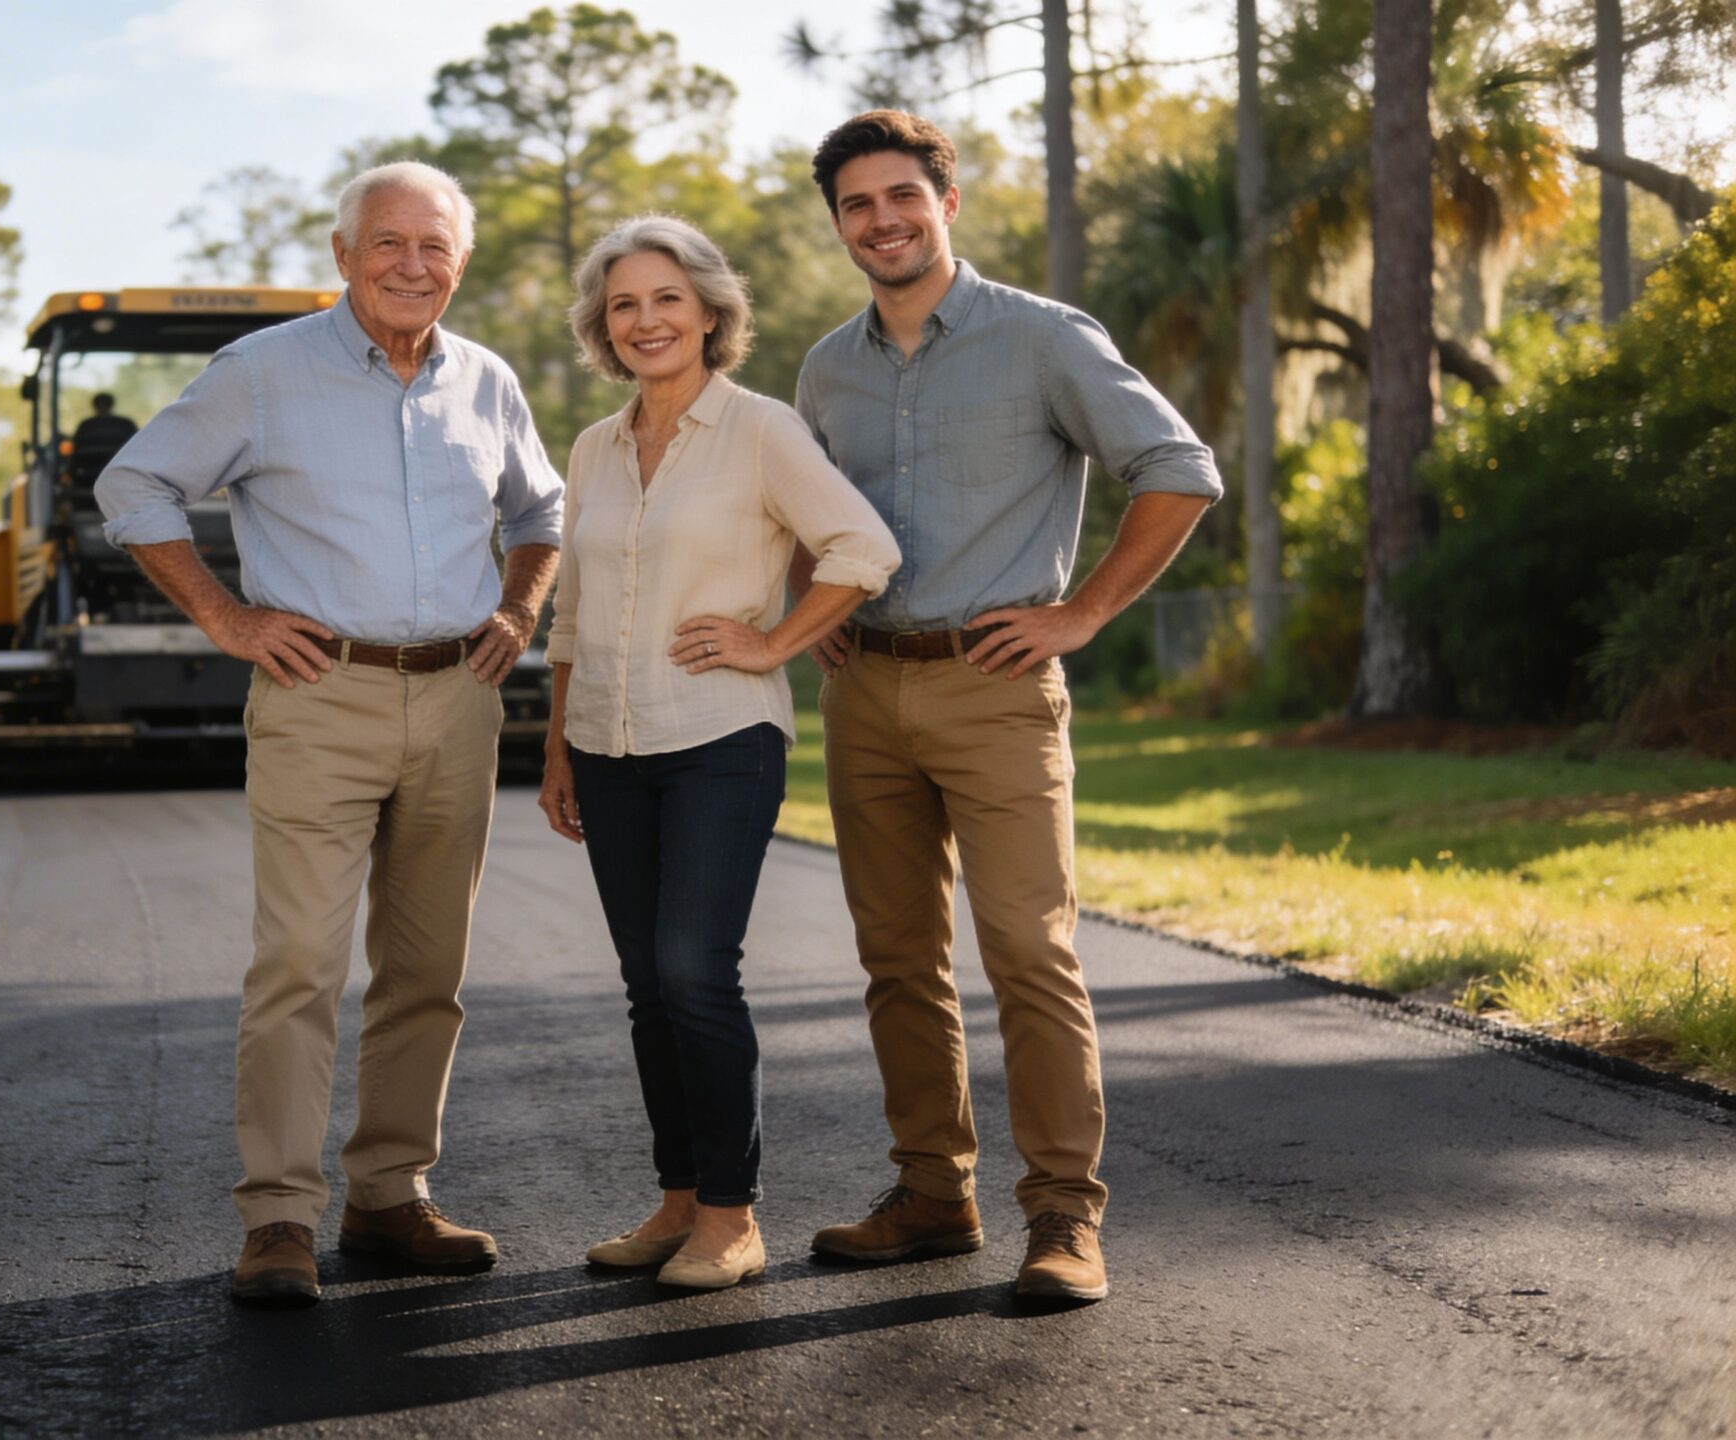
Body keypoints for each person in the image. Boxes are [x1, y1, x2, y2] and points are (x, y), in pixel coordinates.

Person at [95, 161, 563, 1310]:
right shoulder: (260, 373)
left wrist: (518, 610)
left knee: (427, 970)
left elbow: (541, 511)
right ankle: (278, 1218)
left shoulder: (487, 381)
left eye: (434, 246)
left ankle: (391, 1198)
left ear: (461, 258)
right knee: (299, 965)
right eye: (388, 244)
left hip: (456, 699)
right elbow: (134, 483)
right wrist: (226, 616)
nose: (413, 265)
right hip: (319, 698)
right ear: (344, 255)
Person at [791, 110, 1222, 1303]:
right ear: (837, 224)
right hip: (863, 691)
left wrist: (1079, 615)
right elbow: (806, 508)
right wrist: (807, 614)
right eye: (855, 205)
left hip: (995, 687)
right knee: (896, 958)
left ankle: (1064, 1219)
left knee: (1030, 952)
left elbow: (1179, 470)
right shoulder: (826, 367)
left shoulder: (1042, 339)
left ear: (946, 200)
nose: (880, 220)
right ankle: (933, 1194)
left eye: (899, 196)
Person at [539, 216, 900, 1290]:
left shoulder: (760, 430)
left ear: (708, 312)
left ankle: (732, 1218)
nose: (645, 321)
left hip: (718, 738)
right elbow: (570, 616)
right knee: (648, 984)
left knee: (697, 973)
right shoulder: (595, 448)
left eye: (665, 299)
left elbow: (861, 548)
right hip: (605, 739)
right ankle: (676, 1200)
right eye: (622, 305)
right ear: (603, 329)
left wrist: (774, 642)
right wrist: (559, 750)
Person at [69, 391, 139, 475]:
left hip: (89, 470)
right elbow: (136, 447)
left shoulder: (86, 425)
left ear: (94, 405)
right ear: (112, 405)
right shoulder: (125, 424)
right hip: (119, 469)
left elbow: (76, 448)